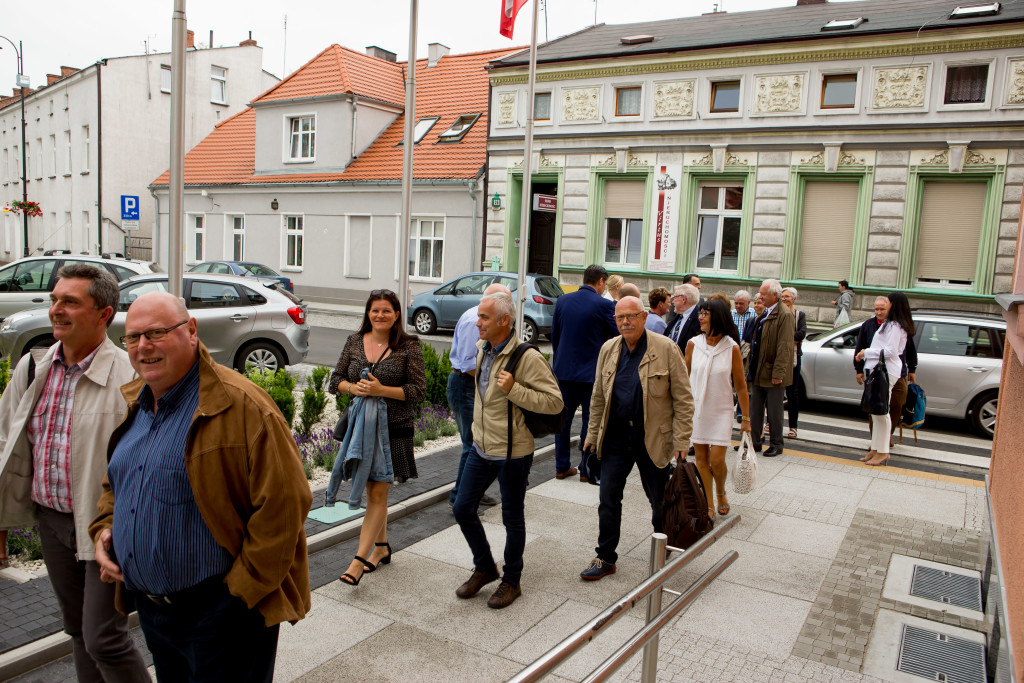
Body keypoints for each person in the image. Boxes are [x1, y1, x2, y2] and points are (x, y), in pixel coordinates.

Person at [90, 292, 311, 682]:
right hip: (155, 613)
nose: (143, 346)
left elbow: (285, 505)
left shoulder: (243, 406)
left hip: (222, 617)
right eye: (133, 337)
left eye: (156, 333)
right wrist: (105, 529)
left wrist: (239, 596)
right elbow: (118, 480)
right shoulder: (139, 401)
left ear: (191, 330)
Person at [0, 264, 149, 683]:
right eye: (54, 300)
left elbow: (146, 457)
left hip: (105, 526)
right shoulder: (33, 368)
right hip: (51, 523)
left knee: (104, 637)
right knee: (79, 632)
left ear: (104, 314)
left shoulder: (130, 375)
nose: (56, 310)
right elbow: (4, 441)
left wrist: (125, 522)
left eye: (70, 301)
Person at [453, 292, 563, 608]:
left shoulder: (527, 357)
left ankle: (512, 581)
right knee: (462, 508)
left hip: (513, 453)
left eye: (484, 317)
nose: (477, 322)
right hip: (481, 447)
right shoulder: (482, 348)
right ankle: (485, 566)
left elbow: (555, 402)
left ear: (504, 320)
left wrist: (515, 389)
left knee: (512, 518)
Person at [579, 296, 693, 580]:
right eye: (620, 317)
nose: (625, 322)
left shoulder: (666, 348)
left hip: (652, 437)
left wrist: (681, 440)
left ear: (644, 317)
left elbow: (683, 399)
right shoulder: (608, 349)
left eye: (631, 316)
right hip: (616, 436)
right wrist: (592, 433)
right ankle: (605, 556)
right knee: (608, 499)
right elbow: (598, 396)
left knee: (659, 500)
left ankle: (664, 544)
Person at [326, 289, 426, 585]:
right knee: (374, 494)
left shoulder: (409, 346)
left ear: (397, 315)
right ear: (368, 313)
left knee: (378, 494)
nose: (380, 315)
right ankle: (381, 547)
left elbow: (418, 391)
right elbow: (335, 380)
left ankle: (358, 561)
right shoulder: (354, 341)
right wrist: (352, 388)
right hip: (360, 429)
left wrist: (381, 390)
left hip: (394, 430)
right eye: (375, 310)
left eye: (386, 310)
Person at [446, 284, 512, 512]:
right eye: (505, 302)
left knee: (480, 442)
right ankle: (459, 497)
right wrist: (494, 382)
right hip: (465, 385)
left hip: (472, 384)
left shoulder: (489, 319)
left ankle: (472, 491)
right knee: (472, 444)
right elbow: (467, 364)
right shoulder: (473, 321)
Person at [550, 265, 618, 482]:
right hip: (591, 374)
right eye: (604, 284)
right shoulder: (605, 305)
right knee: (590, 420)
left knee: (563, 420)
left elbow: (555, 336)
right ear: (601, 282)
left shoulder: (563, 301)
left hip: (565, 371)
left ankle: (561, 467)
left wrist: (560, 362)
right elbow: (615, 337)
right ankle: (585, 469)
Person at [685, 299, 750, 519]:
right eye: (700, 313)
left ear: (718, 317)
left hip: (721, 410)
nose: (700, 317)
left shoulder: (731, 347)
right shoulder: (693, 344)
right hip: (697, 410)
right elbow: (683, 378)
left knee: (716, 460)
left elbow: (741, 386)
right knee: (701, 459)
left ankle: (721, 490)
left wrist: (746, 419)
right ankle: (709, 503)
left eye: (705, 313)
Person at [854, 292, 915, 466]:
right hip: (880, 370)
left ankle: (883, 451)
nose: (884, 305)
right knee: (876, 411)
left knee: (882, 411)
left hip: (886, 371)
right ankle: (876, 448)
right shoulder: (891, 323)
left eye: (887, 302)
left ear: (893, 304)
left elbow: (891, 352)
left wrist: (866, 352)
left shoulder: (895, 325)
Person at [747, 279, 794, 457]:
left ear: (775, 295)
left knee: (774, 411)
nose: (760, 297)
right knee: (755, 409)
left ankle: (776, 443)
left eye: (763, 294)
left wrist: (778, 373)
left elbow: (785, 346)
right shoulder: (766, 312)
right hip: (759, 369)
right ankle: (754, 442)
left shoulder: (785, 315)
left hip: (772, 371)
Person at [780, 287, 807, 439]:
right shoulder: (778, 314)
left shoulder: (799, 315)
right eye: (782, 296)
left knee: (793, 393)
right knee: (776, 391)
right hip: (779, 357)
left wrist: (784, 338)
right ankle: (771, 422)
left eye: (787, 296)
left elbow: (801, 334)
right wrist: (791, 338)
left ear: (794, 299)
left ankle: (793, 427)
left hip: (794, 358)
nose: (784, 299)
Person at [666, 283, 702, 353]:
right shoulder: (678, 316)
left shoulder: (699, 319)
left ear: (683, 299)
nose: (672, 301)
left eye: (674, 298)